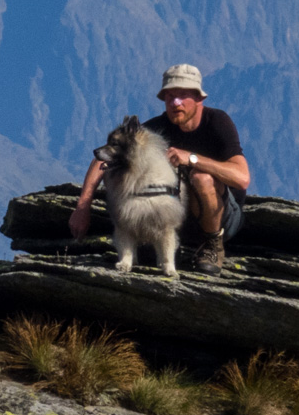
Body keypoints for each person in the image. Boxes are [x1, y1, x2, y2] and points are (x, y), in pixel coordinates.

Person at [67, 63, 251, 275]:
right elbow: (104, 160)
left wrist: (191, 159)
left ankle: (212, 246)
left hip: (224, 217)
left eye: (182, 96)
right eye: (169, 97)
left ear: (199, 98)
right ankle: (163, 244)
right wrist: (82, 207)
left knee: (201, 178)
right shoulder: (156, 128)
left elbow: (242, 178)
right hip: (178, 215)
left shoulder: (218, 123)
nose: (175, 103)